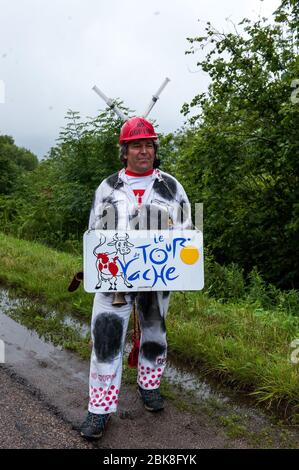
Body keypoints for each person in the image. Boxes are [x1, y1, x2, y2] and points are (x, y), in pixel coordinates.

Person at [80, 116, 191, 440]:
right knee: (105, 339)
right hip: (114, 280)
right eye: (136, 146)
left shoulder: (171, 186)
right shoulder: (108, 187)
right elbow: (95, 232)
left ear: (155, 150)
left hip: (156, 277)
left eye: (148, 145)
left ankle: (150, 386)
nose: (143, 151)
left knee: (155, 334)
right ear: (124, 151)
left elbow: (186, 232)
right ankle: (99, 410)